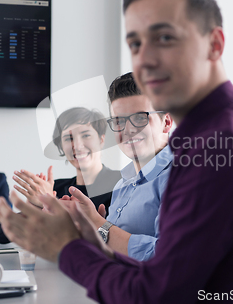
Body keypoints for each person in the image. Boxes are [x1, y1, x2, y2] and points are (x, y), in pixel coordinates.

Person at [0, 0, 233, 303]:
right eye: (135, 44)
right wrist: (92, 235)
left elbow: (156, 294)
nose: (144, 60)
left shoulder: (221, 146)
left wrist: (66, 249)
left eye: (164, 38)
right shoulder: (210, 136)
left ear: (214, 45)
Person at [65, 72, 173, 260]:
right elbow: (113, 248)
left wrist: (98, 223)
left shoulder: (181, 178)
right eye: (119, 121)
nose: (128, 130)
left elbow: (168, 257)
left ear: (167, 122)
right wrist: (86, 227)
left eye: (140, 118)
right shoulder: (123, 185)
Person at [0, 107, 121, 243]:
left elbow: (115, 238)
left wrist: (52, 207)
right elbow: (0, 235)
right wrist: (34, 208)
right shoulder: (56, 188)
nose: (77, 145)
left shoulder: (122, 183)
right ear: (61, 147)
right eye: (68, 138)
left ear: (101, 140)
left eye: (85, 135)